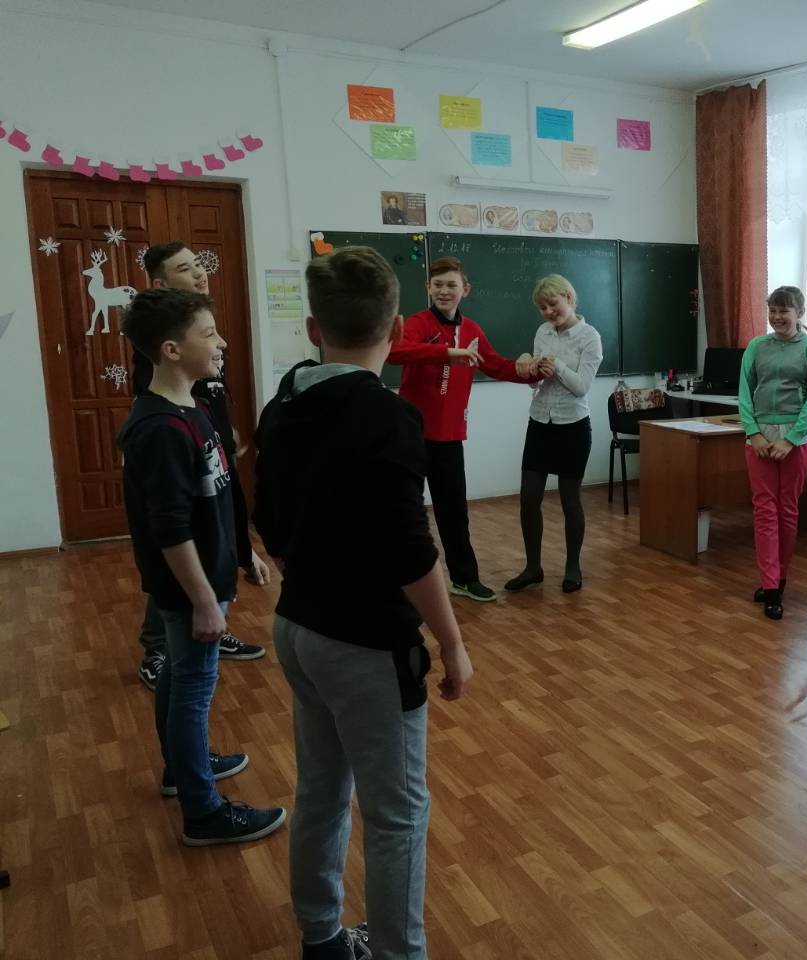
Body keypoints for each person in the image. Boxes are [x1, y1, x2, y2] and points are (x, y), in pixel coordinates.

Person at [255, 246, 474, 960]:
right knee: (397, 816)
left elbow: (268, 523)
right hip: (367, 647)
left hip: (298, 626)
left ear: (313, 329)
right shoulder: (388, 416)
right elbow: (411, 552)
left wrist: (315, 567)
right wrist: (453, 642)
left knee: (322, 791)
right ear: (396, 329)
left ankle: (322, 937)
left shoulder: (284, 402)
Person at [118, 288, 286, 845]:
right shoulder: (161, 429)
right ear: (171, 349)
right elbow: (169, 527)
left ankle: (181, 769)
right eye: (209, 333)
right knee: (193, 687)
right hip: (189, 588)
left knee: (178, 674)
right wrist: (203, 600)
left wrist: (243, 553)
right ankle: (203, 812)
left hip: (206, 577)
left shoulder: (191, 409)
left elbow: (216, 495)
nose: (222, 343)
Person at [134, 241, 268, 691]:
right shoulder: (165, 343)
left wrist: (224, 432)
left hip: (211, 446)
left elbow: (206, 393)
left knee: (217, 538)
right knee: (181, 550)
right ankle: (157, 649)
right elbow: (166, 401)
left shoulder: (201, 328)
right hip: (191, 454)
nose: (199, 274)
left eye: (198, 265)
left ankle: (214, 621)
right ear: (160, 284)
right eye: (185, 269)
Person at [387, 256, 544, 602]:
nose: (444, 291)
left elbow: (496, 365)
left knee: (454, 512)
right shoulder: (417, 323)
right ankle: (397, 580)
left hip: (448, 436)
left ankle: (464, 578)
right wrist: (447, 353)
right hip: (411, 434)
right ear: (428, 288)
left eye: (451, 285)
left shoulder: (472, 330)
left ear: (465, 290)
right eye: (438, 285)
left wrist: (530, 371)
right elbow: (394, 351)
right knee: (405, 511)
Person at [504, 274, 603, 594]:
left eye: (553, 304)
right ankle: (533, 568)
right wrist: (531, 370)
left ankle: (573, 567)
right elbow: (534, 384)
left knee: (570, 500)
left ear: (569, 298)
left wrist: (556, 365)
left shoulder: (590, 337)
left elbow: (581, 387)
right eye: (542, 307)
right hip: (540, 423)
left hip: (573, 427)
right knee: (528, 498)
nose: (548, 312)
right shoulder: (542, 332)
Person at [737, 285, 807, 620]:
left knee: (787, 510)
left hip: (796, 440)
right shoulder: (757, 346)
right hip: (759, 438)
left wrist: (791, 439)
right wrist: (754, 433)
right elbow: (744, 393)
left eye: (783, 311)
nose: (776, 317)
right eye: (772, 310)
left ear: (799, 313)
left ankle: (780, 579)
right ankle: (770, 584)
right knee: (764, 510)